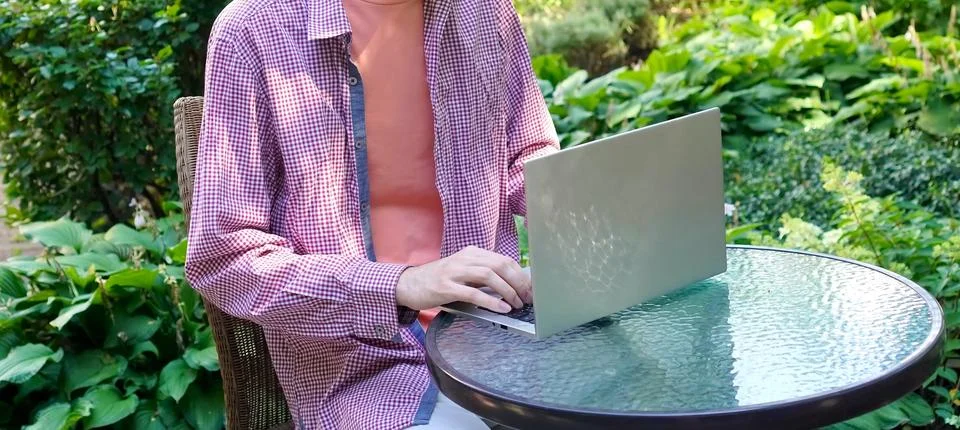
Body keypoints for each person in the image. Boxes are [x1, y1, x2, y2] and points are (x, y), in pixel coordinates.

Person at [184, 0, 559, 428]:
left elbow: (525, 155)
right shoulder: (254, 28)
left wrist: (582, 203)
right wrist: (402, 283)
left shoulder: (486, 12)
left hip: (501, 334)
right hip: (367, 372)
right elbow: (224, 258)